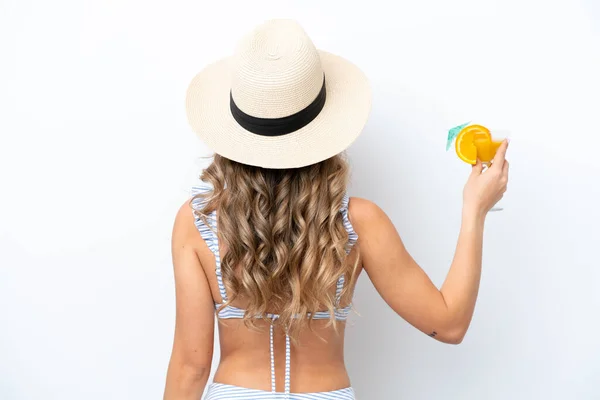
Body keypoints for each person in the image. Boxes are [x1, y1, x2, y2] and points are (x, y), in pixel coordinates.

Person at [163, 19, 509, 400]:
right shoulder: (359, 223)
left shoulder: (196, 223)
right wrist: (474, 210)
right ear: (324, 129)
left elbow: (191, 367)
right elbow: (449, 324)